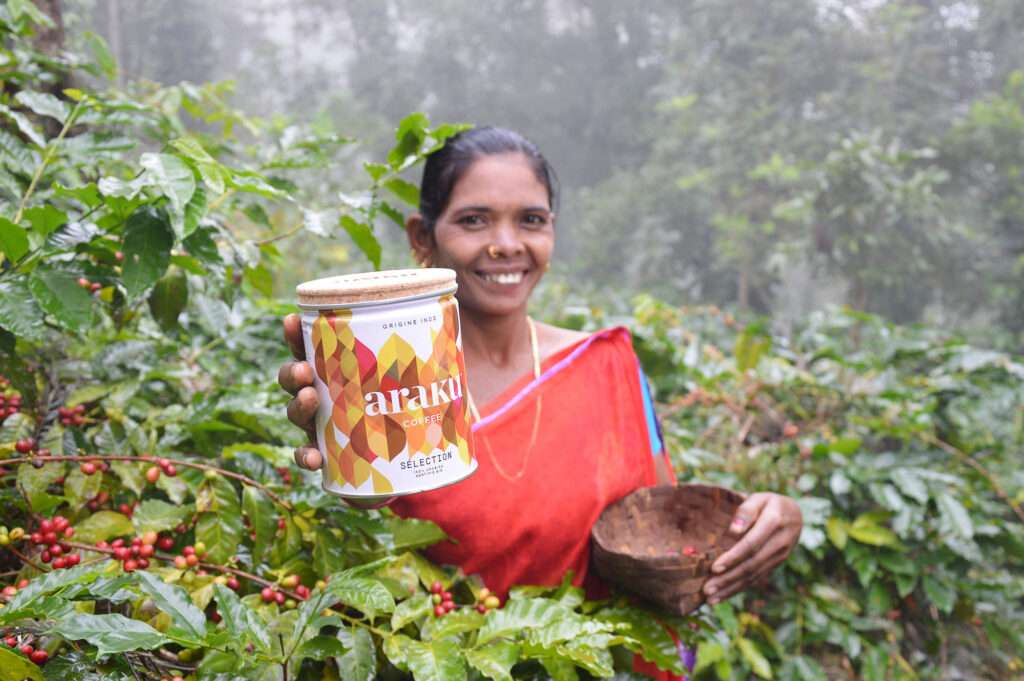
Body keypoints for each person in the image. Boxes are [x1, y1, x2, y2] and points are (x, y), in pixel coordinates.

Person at [278, 126, 802, 610]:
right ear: (422, 237)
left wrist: (766, 520)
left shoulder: (604, 364)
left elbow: (660, 529)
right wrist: (353, 475)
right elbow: (367, 567)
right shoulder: (386, 386)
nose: (507, 243)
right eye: (473, 219)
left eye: (531, 220)